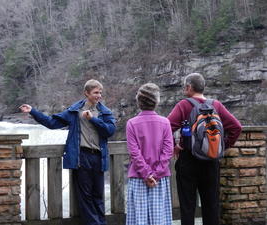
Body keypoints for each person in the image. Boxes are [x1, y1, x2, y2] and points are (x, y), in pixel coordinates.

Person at [19, 79, 116, 225]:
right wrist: (33, 111)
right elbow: (52, 123)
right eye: (96, 92)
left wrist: (93, 120)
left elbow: (110, 131)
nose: (99, 96)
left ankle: (101, 222)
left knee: (98, 195)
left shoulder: (104, 112)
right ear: (86, 93)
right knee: (85, 196)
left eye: (100, 93)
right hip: (81, 157)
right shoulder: (74, 111)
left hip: (99, 157)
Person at [167, 73, 242, 225]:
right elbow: (236, 127)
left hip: (188, 160)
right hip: (211, 160)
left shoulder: (183, 105)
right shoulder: (216, 105)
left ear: (189, 87)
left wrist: (174, 146)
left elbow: (166, 128)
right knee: (211, 206)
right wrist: (222, 146)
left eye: (184, 86)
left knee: (188, 206)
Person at [126, 83, 174, 225]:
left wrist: (147, 174)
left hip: (138, 177)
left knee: (139, 220)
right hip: (160, 179)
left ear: (139, 102)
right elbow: (168, 151)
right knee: (160, 220)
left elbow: (135, 154)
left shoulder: (131, 123)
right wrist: (156, 173)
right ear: (157, 101)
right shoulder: (165, 123)